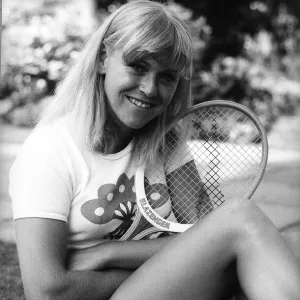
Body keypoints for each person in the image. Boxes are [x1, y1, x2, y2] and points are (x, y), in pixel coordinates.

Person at [9, 1, 300, 299]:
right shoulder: (49, 152)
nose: (150, 88)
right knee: (240, 217)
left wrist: (111, 252)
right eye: (138, 66)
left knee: (288, 244)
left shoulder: (165, 143)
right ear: (102, 59)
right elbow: (47, 292)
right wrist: (150, 267)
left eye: (167, 77)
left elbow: (203, 237)